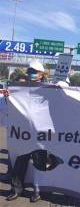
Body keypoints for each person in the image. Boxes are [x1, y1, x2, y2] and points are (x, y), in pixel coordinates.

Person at [7, 61, 47, 203]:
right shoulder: (19, 88)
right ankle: (16, 189)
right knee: (20, 161)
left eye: (34, 71)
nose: (31, 73)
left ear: (42, 75)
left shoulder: (49, 89)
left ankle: (38, 190)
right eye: (30, 70)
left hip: (41, 133)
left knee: (39, 163)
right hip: (22, 132)